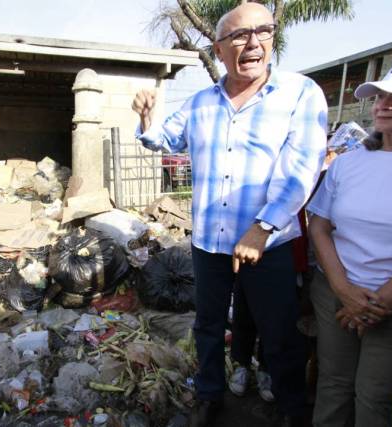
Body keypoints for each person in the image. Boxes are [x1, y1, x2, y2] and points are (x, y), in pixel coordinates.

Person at [131, 3, 328, 426]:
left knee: (278, 333)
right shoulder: (202, 103)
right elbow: (163, 139)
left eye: (263, 31)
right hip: (209, 240)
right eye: (239, 35)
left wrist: (262, 228)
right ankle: (209, 396)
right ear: (219, 49)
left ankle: (293, 408)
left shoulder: (300, 93)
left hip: (269, 242)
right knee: (207, 327)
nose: (253, 42)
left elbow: (301, 169)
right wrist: (148, 116)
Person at [307, 51, 392, 427]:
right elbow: (319, 226)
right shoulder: (349, 161)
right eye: (379, 94)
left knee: (377, 397)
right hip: (336, 298)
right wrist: (344, 291)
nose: (384, 103)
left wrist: (378, 302)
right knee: (333, 385)